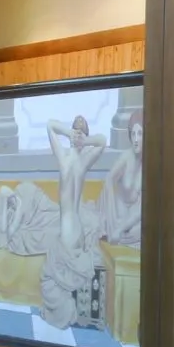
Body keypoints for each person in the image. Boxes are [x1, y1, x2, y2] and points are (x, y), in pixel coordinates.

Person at [40, 116, 107, 328]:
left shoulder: (77, 159)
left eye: (81, 129)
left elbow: (102, 141)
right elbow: (50, 125)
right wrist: (72, 135)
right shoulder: (68, 158)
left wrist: (83, 141)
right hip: (73, 232)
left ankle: (66, 311)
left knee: (48, 277)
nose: (77, 131)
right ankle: (68, 307)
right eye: (74, 128)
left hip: (70, 232)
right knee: (52, 277)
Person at [99, 109, 144, 247]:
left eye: (140, 134)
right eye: (133, 134)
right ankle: (118, 229)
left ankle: (122, 230)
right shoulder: (125, 158)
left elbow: (142, 207)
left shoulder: (149, 163)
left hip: (136, 213)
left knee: (139, 230)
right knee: (123, 232)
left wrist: (123, 227)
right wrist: (110, 218)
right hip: (119, 210)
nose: (135, 140)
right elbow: (108, 181)